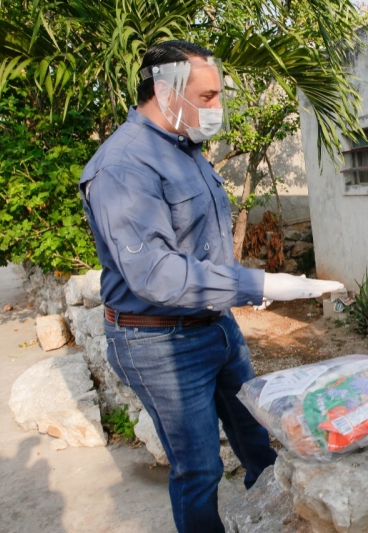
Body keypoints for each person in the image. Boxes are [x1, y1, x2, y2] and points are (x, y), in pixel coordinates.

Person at [79, 40, 343, 533]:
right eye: (207, 97)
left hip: (215, 326)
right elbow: (155, 274)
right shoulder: (123, 166)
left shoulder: (186, 150)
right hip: (158, 340)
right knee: (199, 469)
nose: (218, 108)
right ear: (164, 91)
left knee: (258, 441)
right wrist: (264, 283)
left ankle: (275, 521)